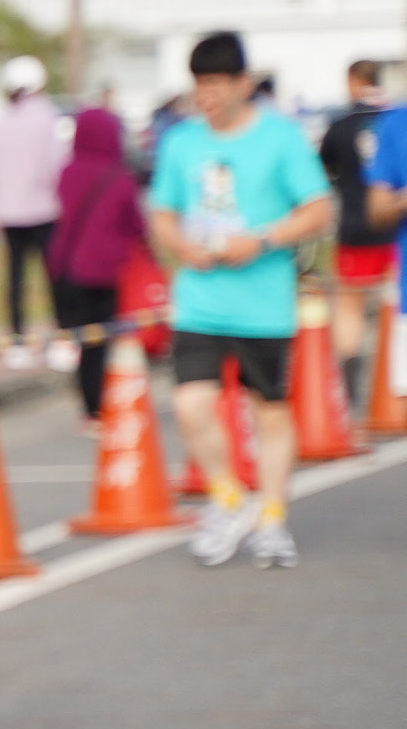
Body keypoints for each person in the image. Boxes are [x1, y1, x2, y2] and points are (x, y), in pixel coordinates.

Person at [153, 32, 333, 570]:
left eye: (215, 85)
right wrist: (180, 245)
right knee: (190, 405)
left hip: (263, 303)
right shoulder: (181, 141)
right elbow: (162, 212)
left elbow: (318, 209)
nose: (205, 97)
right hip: (199, 300)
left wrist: (261, 240)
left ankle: (272, 520)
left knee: (269, 412)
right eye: (198, 86)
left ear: (243, 84)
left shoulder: (280, 138)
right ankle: (228, 498)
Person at [46, 105, 151, 428]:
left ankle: (89, 405)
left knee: (81, 338)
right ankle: (98, 405)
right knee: (100, 341)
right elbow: (136, 226)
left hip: (63, 268)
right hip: (102, 272)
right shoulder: (121, 178)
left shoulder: (66, 172)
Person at [318, 60, 394, 409]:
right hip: (396, 230)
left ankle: (350, 386)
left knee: (349, 307)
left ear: (353, 82)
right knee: (395, 305)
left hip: (354, 228)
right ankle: (392, 384)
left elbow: (322, 171)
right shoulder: (395, 121)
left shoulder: (341, 126)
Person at [0, 54, 65, 361]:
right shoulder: (47, 117)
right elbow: (56, 165)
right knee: (53, 277)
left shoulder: (1, 121)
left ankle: (17, 341)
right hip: (45, 210)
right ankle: (61, 339)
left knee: (15, 279)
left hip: (9, 212)